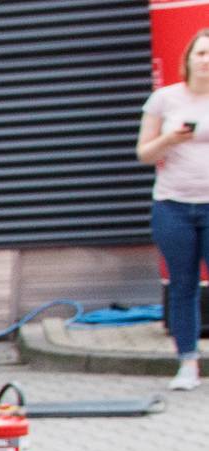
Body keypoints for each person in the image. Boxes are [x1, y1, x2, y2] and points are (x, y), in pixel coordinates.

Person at [141, 28, 209, 391]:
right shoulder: (164, 99)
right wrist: (170, 138)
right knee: (183, 286)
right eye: (200, 53)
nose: (206, 60)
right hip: (174, 206)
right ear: (188, 59)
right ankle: (187, 363)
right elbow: (144, 153)